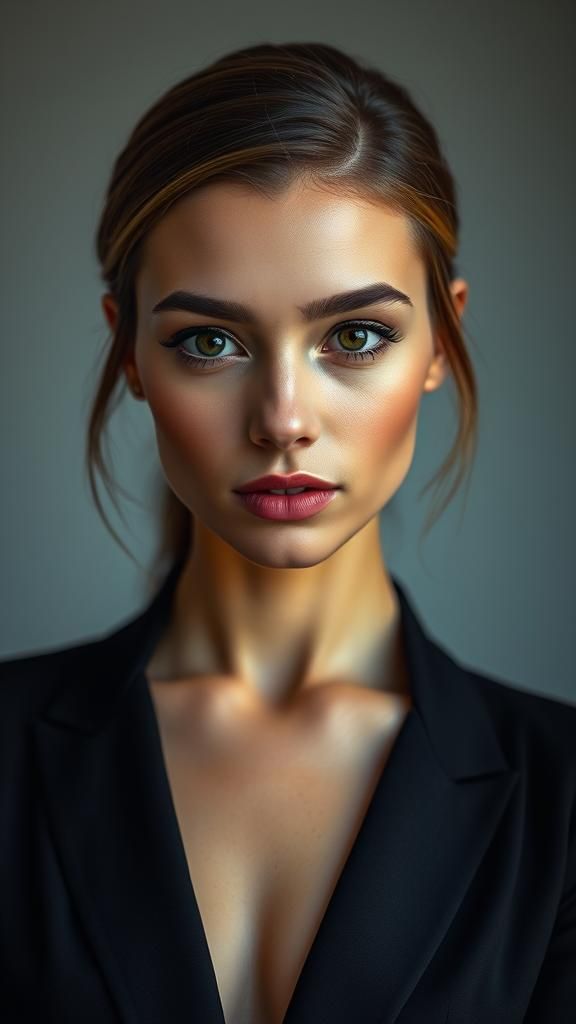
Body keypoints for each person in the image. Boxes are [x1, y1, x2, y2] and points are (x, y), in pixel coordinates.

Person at [1, 40, 574, 1024]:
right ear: (130, 353)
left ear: (442, 338)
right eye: (209, 341)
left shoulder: (561, 800)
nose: (283, 416)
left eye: (354, 335)